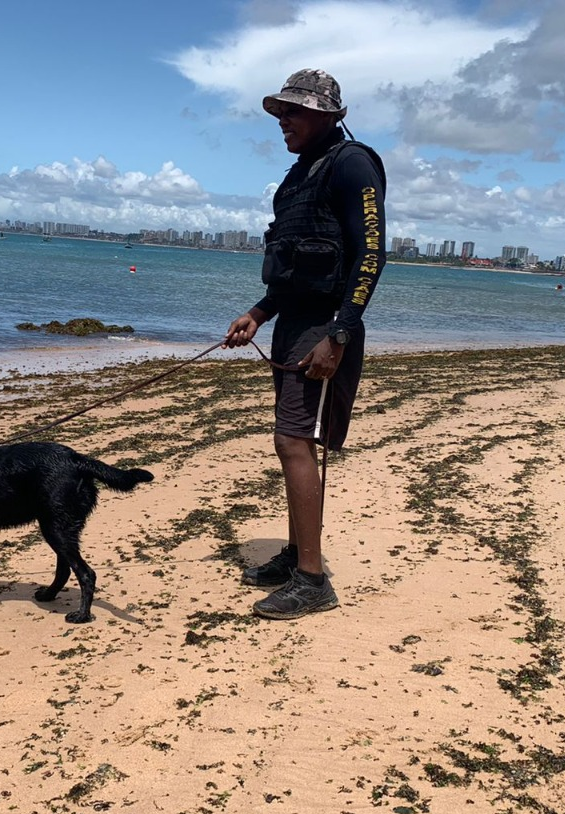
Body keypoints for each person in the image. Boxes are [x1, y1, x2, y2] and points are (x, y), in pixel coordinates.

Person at [224, 68, 387, 619]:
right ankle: (297, 557)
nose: (283, 123)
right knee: (291, 441)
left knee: (295, 442)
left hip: (325, 329)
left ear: (326, 116)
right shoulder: (295, 180)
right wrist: (257, 312)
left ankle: (313, 582)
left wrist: (339, 332)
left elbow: (370, 255)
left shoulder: (353, 164)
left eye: (293, 113)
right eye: (280, 113)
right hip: (293, 326)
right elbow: (292, 273)